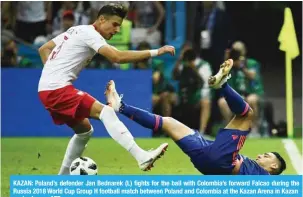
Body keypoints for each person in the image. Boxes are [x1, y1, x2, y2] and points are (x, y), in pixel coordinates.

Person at [38, 3, 175, 175]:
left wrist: (50, 74)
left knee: (84, 131)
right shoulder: (91, 34)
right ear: (101, 20)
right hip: (56, 89)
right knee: (107, 112)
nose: (117, 30)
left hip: (47, 89)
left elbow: (44, 48)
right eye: (115, 24)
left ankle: (60, 185)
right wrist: (156, 52)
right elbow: (117, 57)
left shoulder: (77, 29)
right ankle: (141, 157)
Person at [106, 59, 286, 175]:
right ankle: (121, 107)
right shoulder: (251, 167)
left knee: (247, 115)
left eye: (268, 156)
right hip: (206, 158)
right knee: (168, 123)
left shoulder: (265, 179)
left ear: (274, 167)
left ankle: (223, 85)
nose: (262, 154)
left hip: (221, 161)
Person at [173, 47, 212, 136]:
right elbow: (174, 76)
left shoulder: (203, 65)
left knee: (206, 102)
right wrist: (179, 60)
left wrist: (193, 68)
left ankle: (202, 132)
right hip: (183, 94)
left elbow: (203, 83)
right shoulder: (182, 64)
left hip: (197, 95)